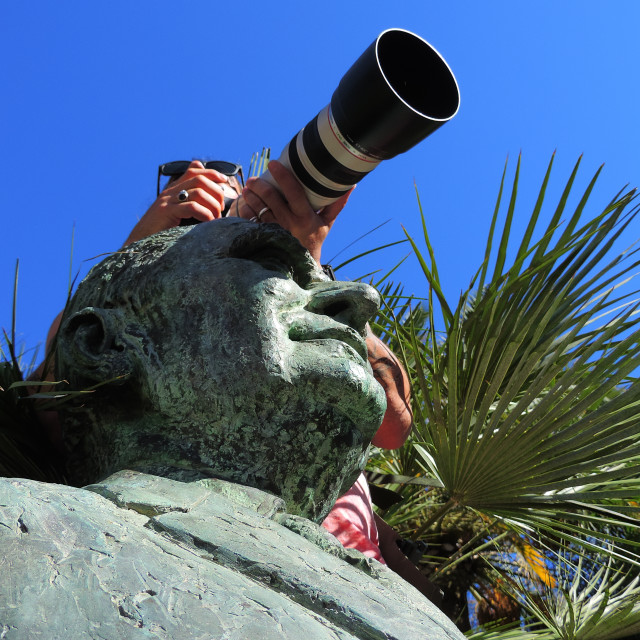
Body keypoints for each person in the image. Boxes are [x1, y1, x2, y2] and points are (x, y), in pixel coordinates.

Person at [38, 158, 412, 563]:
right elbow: (59, 398)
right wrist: (146, 238)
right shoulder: (128, 301)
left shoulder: (314, 306)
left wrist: (308, 268)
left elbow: (394, 424)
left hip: (340, 556)